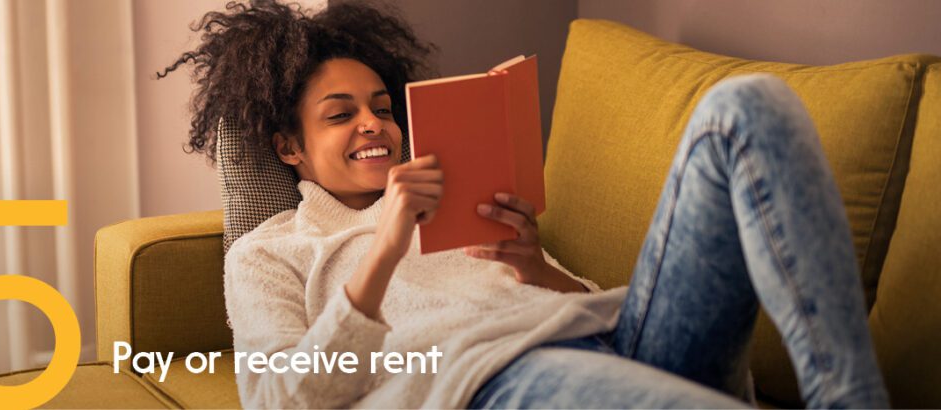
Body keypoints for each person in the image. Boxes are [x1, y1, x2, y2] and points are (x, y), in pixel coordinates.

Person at [159, 0, 890, 408]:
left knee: (746, 103)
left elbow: (582, 307)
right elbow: (279, 399)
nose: (372, 125)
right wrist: (382, 251)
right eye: (340, 114)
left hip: (625, 338)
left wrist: (540, 271)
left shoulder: (455, 198)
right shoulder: (270, 252)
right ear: (289, 146)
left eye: (382, 108)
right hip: (492, 378)